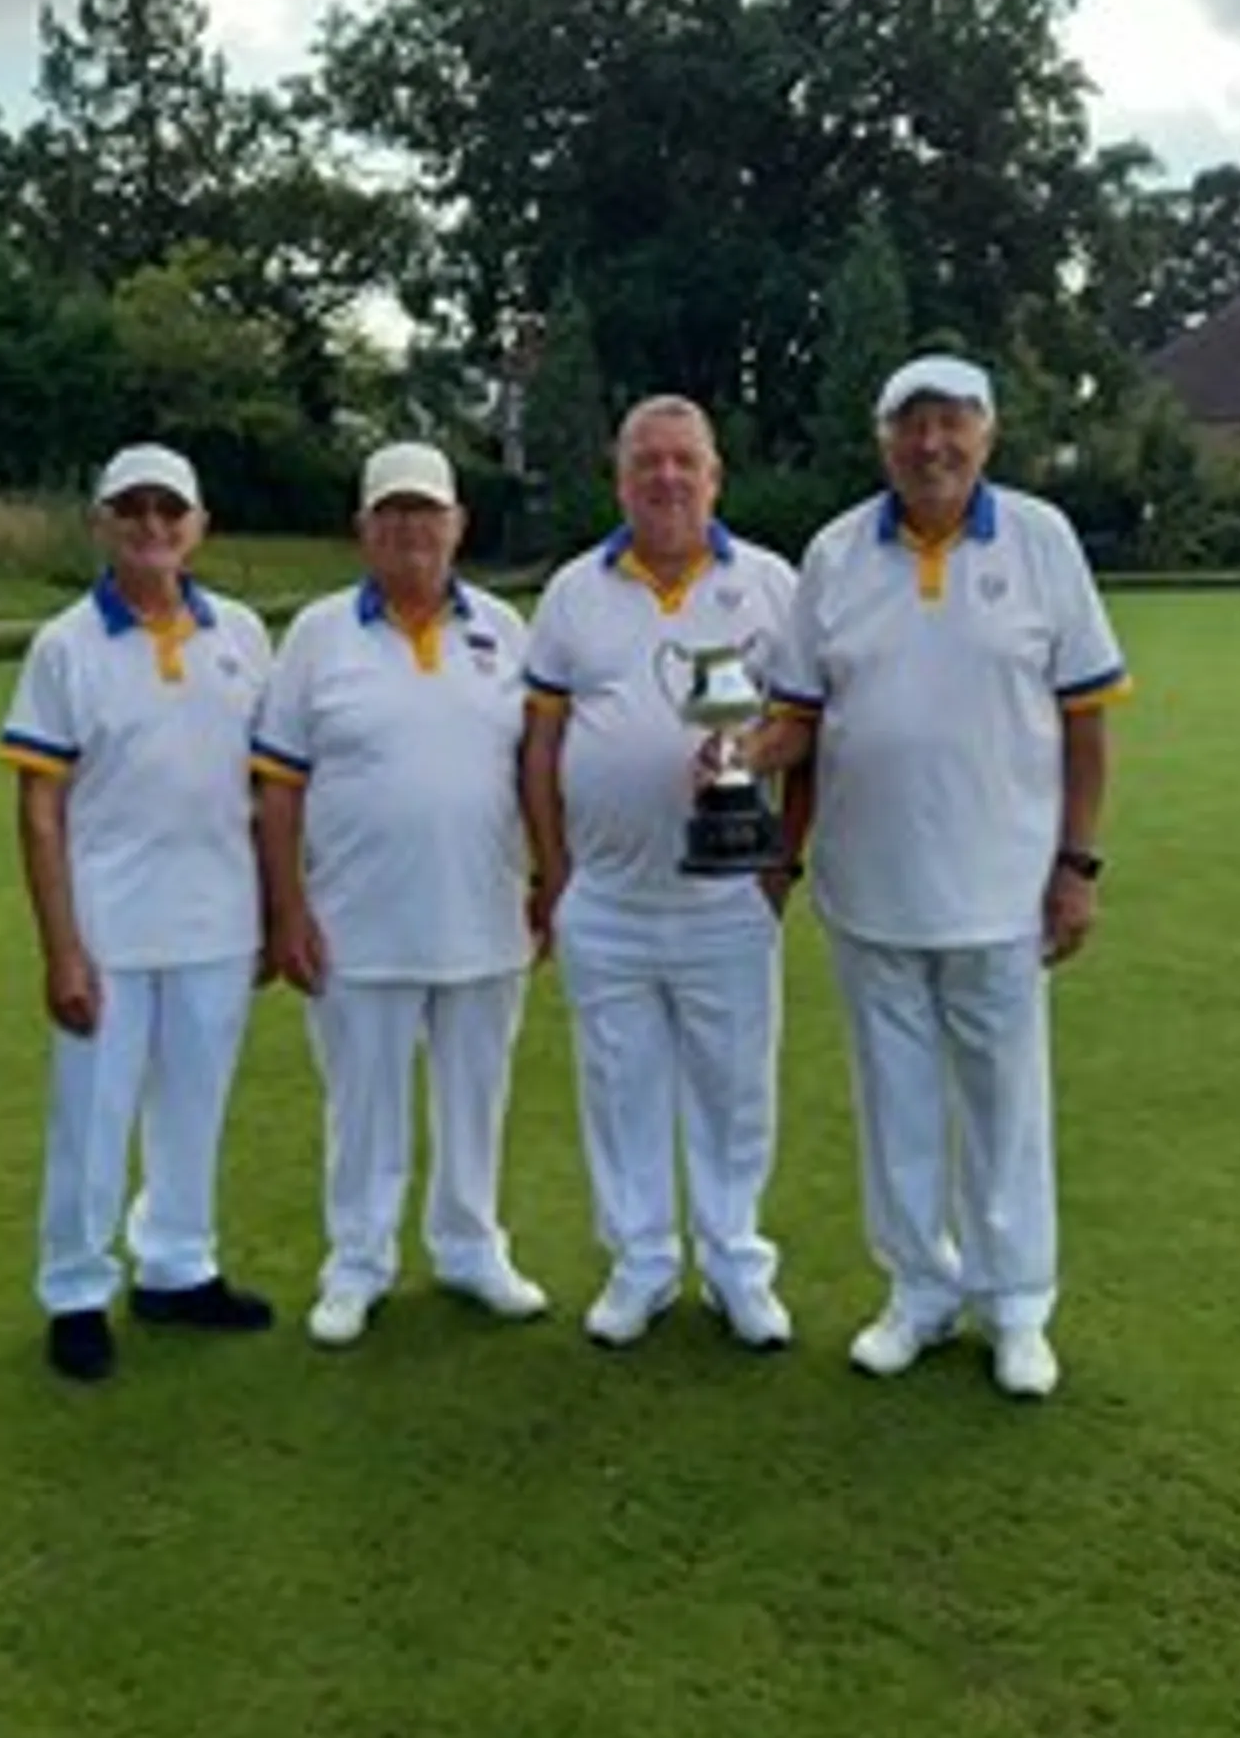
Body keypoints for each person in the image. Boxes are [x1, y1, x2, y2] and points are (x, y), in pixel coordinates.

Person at [743, 354, 1132, 1399]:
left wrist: (1076, 864)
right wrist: (737, 756)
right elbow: (798, 719)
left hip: (1000, 891)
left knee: (1003, 1104)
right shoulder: (833, 553)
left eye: (951, 423)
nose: (931, 445)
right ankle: (918, 1288)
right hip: (868, 890)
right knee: (895, 1104)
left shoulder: (1041, 540)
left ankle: (1015, 1305)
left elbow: (1086, 723)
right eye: (910, 426)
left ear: (987, 434)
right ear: (882, 440)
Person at [522, 396, 802, 1350]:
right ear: (621, 478)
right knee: (619, 1087)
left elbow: (808, 726)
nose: (667, 478)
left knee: (735, 1090)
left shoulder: (770, 582)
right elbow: (541, 743)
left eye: (686, 461)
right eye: (648, 462)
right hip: (605, 896)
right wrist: (554, 873)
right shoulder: (572, 591)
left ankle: (735, 1266)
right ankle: (640, 1265)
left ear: (716, 474)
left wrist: (780, 864)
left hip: (728, 896)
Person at [253, 442, 548, 1347]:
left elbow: (538, 770)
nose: (411, 531)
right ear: (363, 530)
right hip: (356, 923)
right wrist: (287, 913)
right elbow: (278, 787)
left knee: (477, 1096)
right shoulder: (315, 636)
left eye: (427, 513)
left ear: (458, 524)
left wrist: (550, 875)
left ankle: (469, 1247)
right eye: (393, 515)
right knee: (362, 1104)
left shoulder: (506, 629)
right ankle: (358, 1263)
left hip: (485, 914)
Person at [0, 443, 276, 1383]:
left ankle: (176, 1265)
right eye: (133, 510)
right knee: (92, 1118)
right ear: (101, 523)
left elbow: (270, 787)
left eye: (170, 510)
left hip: (220, 918)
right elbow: (40, 810)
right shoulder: (65, 645)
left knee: (194, 1107)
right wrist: (61, 950)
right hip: (110, 926)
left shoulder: (241, 633)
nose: (152, 527)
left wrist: (279, 914)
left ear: (199, 526)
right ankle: (75, 1288)